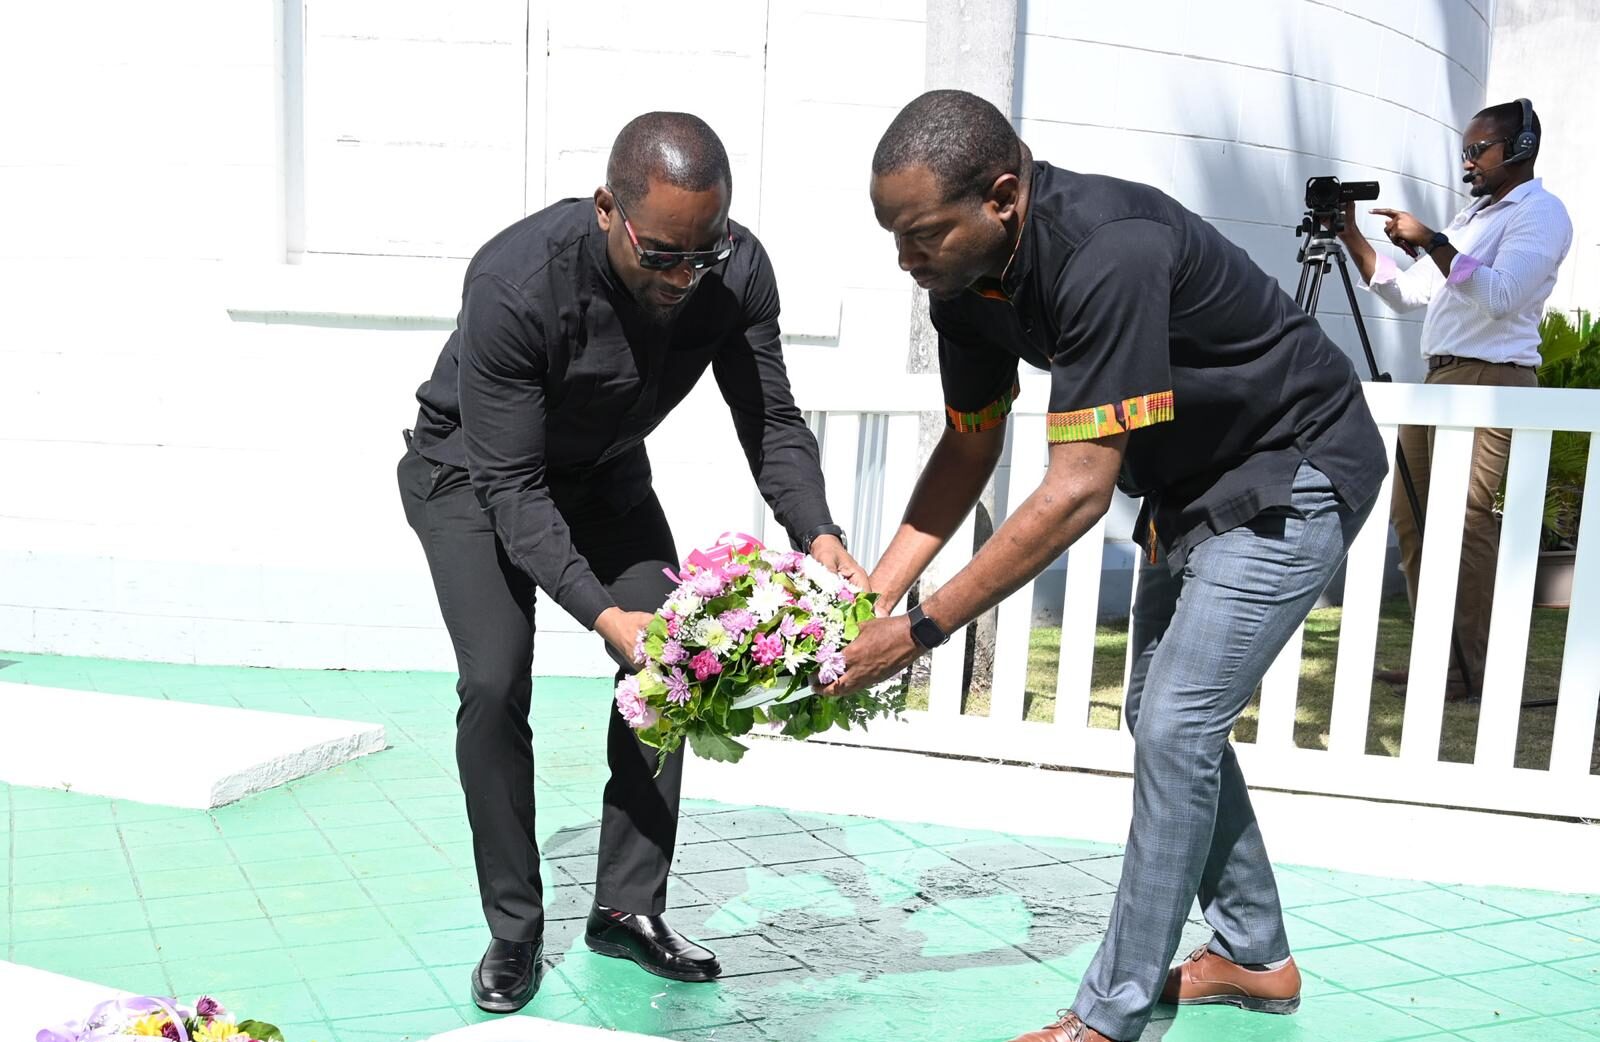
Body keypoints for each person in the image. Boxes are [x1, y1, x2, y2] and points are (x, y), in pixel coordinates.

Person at [825, 90, 1389, 1042]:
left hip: (1295, 465)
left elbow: (1079, 488)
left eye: (920, 235)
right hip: (1193, 490)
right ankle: (1255, 956)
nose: (905, 260)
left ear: (1004, 197)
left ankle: (1109, 1016)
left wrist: (919, 632)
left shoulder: (1107, 249)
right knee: (1159, 716)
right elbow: (970, 448)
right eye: (894, 237)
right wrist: (874, 596)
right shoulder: (963, 286)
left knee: (1175, 722)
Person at [399, 111, 865, 1013]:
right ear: (609, 209)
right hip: (472, 477)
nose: (684, 279)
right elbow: (514, 490)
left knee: (679, 663)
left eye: (705, 252)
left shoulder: (733, 270)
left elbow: (769, 419)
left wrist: (819, 534)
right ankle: (514, 928)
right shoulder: (514, 282)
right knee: (495, 684)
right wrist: (608, 620)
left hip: (606, 479)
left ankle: (627, 906)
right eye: (662, 257)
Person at [1337, 98, 1572, 701]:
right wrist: (1350, 236)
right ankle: (1437, 659)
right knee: (1413, 519)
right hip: (1439, 380)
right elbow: (1405, 296)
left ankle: (1469, 670)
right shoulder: (1473, 218)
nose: (1466, 160)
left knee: (1465, 524)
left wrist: (1436, 240)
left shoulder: (1540, 214)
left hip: (1493, 382)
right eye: (1464, 150)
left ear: (1517, 149)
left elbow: (1499, 296)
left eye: (1478, 149)